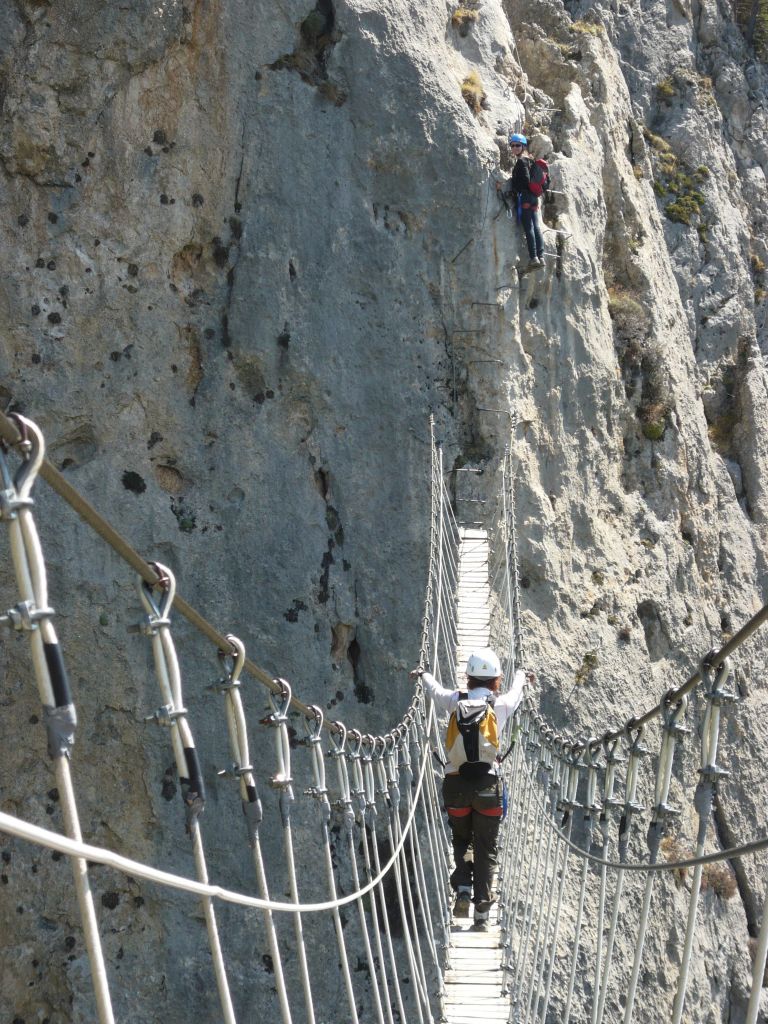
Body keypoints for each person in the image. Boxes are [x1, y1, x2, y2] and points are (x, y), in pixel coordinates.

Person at [412, 648, 531, 931]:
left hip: (455, 786)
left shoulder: (456, 701)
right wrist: (523, 675)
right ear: (495, 681)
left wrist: (423, 674)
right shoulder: (500, 705)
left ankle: (463, 886)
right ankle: (481, 912)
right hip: (488, 786)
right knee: (486, 848)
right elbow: (516, 693)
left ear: (468, 678)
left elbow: (436, 691)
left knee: (461, 839)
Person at [496, 133, 547, 272]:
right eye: (512, 145)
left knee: (529, 227)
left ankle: (534, 257)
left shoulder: (521, 161)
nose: (514, 148)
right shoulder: (531, 160)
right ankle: (541, 256)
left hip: (524, 197)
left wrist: (512, 191)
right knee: (536, 226)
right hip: (534, 197)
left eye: (517, 145)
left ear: (523, 146)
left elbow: (524, 179)